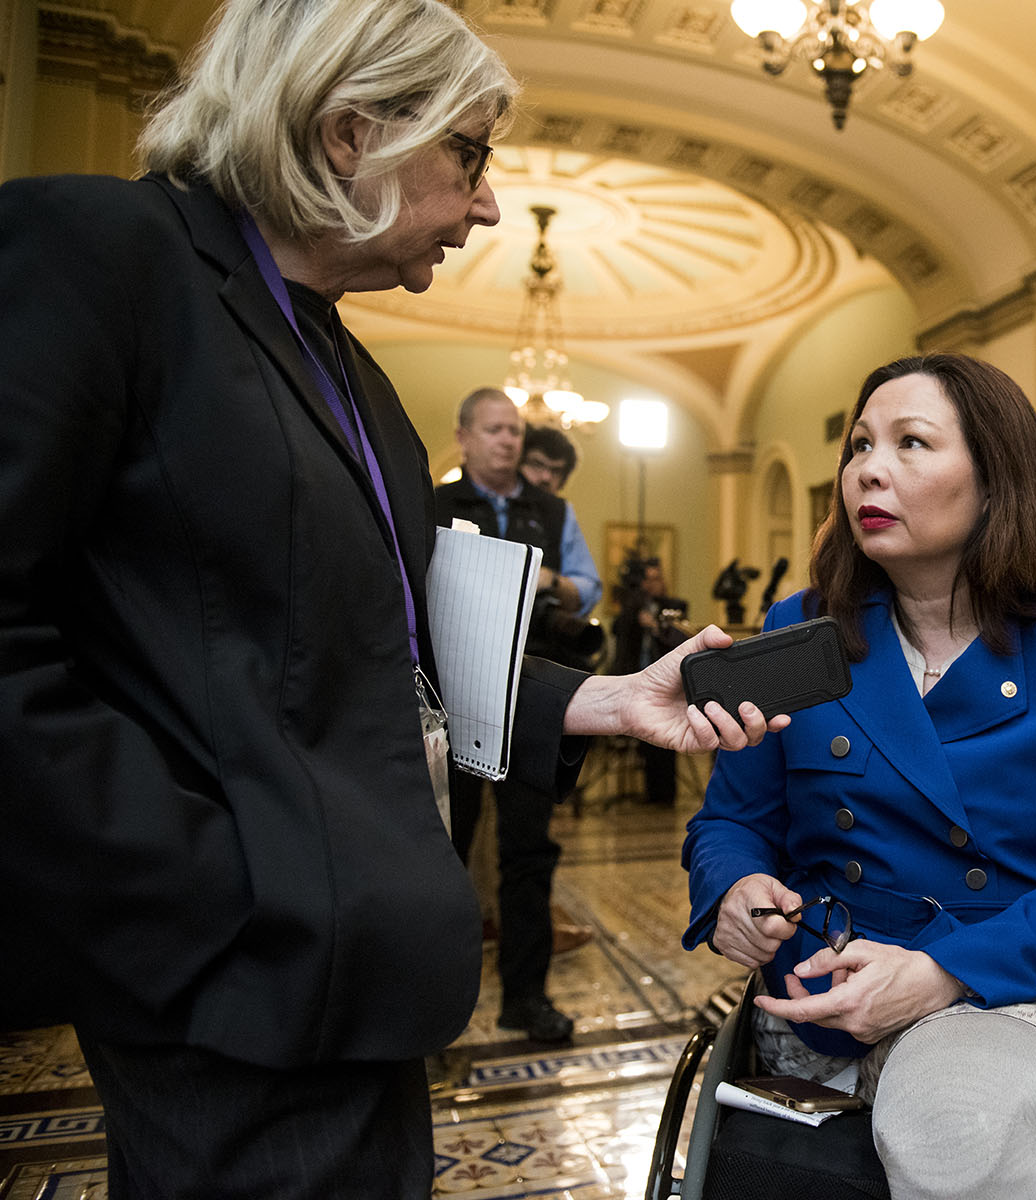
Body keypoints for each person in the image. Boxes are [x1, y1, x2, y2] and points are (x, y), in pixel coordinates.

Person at [0, 2, 779, 1195]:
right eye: (468, 154)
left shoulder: (355, 374)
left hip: (366, 965)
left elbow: (390, 648)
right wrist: (207, 885)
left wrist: (613, 701)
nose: (487, 205)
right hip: (229, 974)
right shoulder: (104, 255)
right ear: (346, 133)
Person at [681, 353, 1036, 1199]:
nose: (868, 469)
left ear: (994, 481)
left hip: (1026, 991)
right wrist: (734, 888)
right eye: (858, 447)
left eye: (911, 443)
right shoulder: (799, 629)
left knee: (951, 1122)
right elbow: (732, 824)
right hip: (830, 996)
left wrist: (944, 970)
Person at [436, 389, 605, 1041]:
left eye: (515, 430)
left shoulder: (550, 510)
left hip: (531, 699)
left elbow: (585, 585)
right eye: (495, 429)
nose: (509, 440)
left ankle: (525, 999)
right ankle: (439, 1005)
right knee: (446, 853)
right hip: (454, 697)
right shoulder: (438, 504)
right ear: (465, 437)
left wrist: (547, 583)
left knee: (529, 854)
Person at [610, 559, 690, 806]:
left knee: (663, 742)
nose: (654, 584)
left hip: (668, 681)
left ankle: (665, 795)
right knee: (643, 740)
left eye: (658, 578)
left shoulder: (674, 606)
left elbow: (681, 637)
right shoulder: (634, 606)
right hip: (635, 677)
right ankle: (649, 792)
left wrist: (655, 626)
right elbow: (617, 630)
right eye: (649, 579)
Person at [521, 422, 579, 494]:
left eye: (556, 471)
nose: (546, 477)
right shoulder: (503, 502)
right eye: (537, 465)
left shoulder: (563, 505)